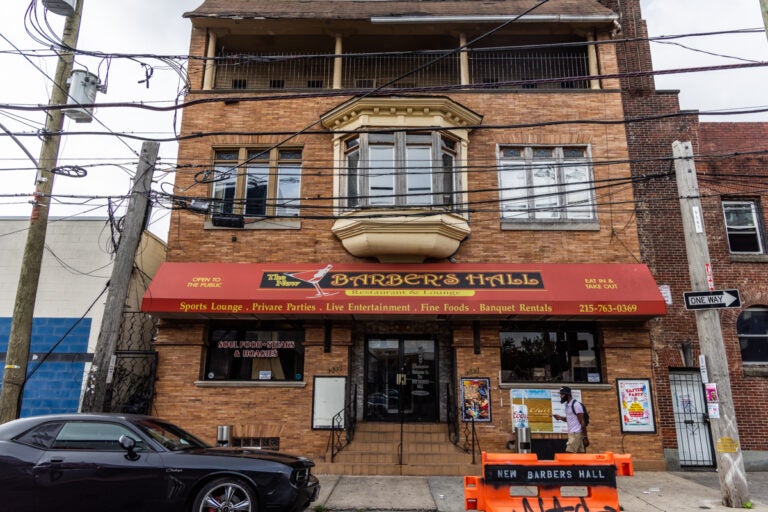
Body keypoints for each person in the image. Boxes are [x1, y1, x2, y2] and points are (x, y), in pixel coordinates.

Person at [552, 386, 589, 453]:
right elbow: (570, 419)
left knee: (568, 455)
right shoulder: (567, 405)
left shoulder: (576, 405)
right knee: (581, 457)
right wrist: (560, 418)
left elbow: (582, 422)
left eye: (562, 394)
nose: (561, 396)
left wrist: (585, 437)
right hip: (573, 434)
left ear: (568, 395)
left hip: (575, 434)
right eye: (560, 394)